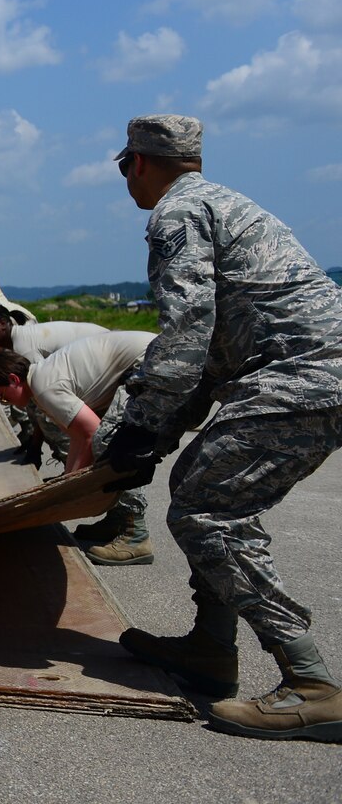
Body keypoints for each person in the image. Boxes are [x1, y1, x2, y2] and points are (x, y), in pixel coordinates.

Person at [101, 114, 342, 741]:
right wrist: (161, 431)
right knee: (201, 486)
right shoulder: (224, 202)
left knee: (207, 511)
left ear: (143, 163)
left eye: (125, 166)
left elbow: (185, 332)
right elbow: (212, 351)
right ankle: (211, 649)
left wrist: (141, 425)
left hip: (303, 378)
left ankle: (312, 684)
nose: (127, 179)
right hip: (312, 374)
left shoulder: (176, 215)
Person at [0, 331, 158, 565]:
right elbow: (78, 438)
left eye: (2, 397)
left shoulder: (44, 386)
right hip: (149, 358)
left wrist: (70, 490)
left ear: (13, 379)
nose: (5, 403)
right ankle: (118, 518)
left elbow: (91, 434)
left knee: (112, 442)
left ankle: (135, 535)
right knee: (107, 437)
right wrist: (66, 484)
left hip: (152, 361)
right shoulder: (40, 381)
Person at [0, 292, 109, 480]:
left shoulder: (26, 349)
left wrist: (36, 444)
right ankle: (75, 470)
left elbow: (43, 403)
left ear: (2, 322)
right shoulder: (14, 342)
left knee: (54, 421)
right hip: (91, 369)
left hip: (104, 366)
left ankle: (79, 469)